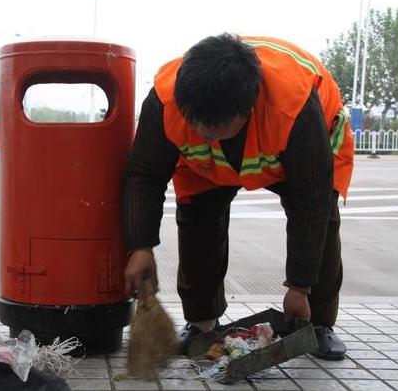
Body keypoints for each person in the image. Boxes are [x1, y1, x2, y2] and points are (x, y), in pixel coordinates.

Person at [123, 34, 354, 360]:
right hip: (204, 168)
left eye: (216, 126)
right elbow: (143, 176)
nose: (203, 131)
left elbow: (311, 201)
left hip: (302, 158)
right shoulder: (164, 100)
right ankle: (201, 322)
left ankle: (317, 324)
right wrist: (140, 245)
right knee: (197, 221)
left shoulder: (292, 107)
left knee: (323, 221)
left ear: (248, 107)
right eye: (195, 120)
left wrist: (299, 287)